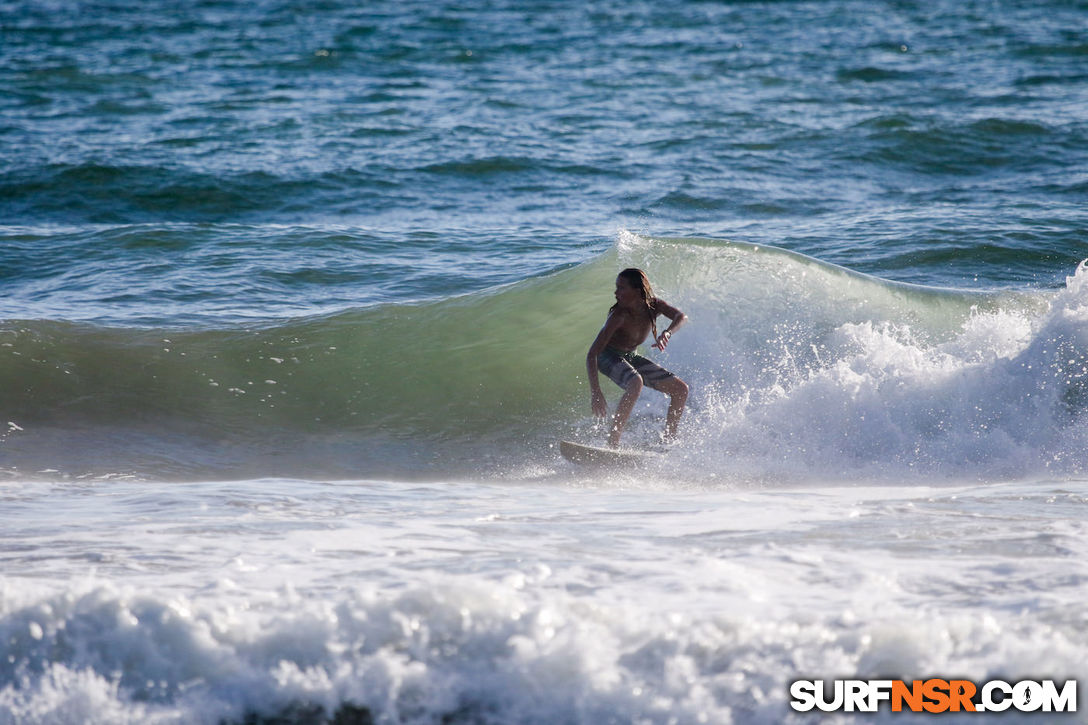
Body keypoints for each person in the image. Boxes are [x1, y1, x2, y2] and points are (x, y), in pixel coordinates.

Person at [586, 268, 689, 448]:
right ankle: (612, 444)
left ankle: (669, 442)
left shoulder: (654, 306)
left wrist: (667, 332)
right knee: (635, 382)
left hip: (630, 356)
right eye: (616, 288)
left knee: (681, 390)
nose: (616, 292)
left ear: (637, 290)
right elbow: (592, 354)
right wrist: (595, 392)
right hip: (606, 355)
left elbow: (681, 316)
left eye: (621, 288)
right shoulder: (619, 315)